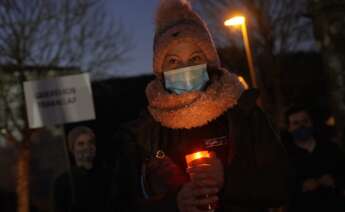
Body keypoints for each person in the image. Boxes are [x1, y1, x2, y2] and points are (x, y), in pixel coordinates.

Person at [116, 1, 289, 211]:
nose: (185, 68)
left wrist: (228, 179)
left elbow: (282, 186)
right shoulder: (144, 133)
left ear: (209, 62)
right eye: (173, 61)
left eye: (195, 58)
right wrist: (174, 203)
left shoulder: (243, 115)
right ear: (160, 70)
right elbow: (124, 202)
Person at [283, 106, 345, 212]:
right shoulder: (284, 156)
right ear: (289, 128)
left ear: (311, 122)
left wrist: (334, 180)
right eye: (296, 123)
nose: (301, 126)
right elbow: (279, 186)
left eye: (305, 121)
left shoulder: (331, 149)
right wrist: (301, 187)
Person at [52, 126, 112, 212]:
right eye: (81, 144)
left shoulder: (107, 175)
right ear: (72, 148)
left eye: (90, 142)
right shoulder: (63, 181)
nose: (87, 147)